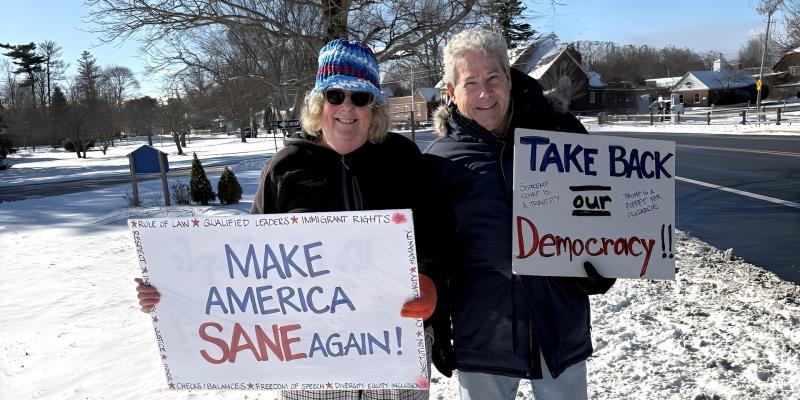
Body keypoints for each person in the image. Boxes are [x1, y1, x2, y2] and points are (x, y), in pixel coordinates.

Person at [136, 38, 438, 400]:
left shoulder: (403, 159)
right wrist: (169, 289)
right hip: (309, 357)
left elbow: (440, 235)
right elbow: (246, 266)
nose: (347, 107)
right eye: (335, 95)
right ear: (317, 102)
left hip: (395, 345)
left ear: (373, 107)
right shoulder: (286, 167)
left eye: (359, 97)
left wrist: (432, 281)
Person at [423, 28, 616, 400]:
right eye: (470, 82)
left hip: (559, 328)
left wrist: (603, 265)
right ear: (451, 91)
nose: (484, 92)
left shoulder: (563, 136)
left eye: (494, 78)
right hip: (484, 335)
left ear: (509, 79)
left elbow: (603, 214)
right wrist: (437, 323)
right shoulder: (438, 161)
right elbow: (433, 251)